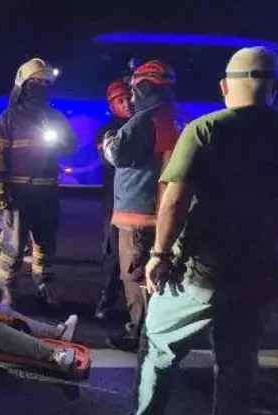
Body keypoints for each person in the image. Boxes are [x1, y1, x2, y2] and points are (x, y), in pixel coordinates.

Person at [119, 46, 278, 415]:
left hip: (202, 273)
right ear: (275, 87)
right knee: (238, 361)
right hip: (261, 273)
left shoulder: (205, 129)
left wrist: (159, 254)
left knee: (159, 345)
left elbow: (174, 201)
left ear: (224, 87)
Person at [102, 60, 179, 352]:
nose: (131, 98)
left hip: (138, 216)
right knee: (153, 274)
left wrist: (109, 140)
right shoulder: (173, 117)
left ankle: (140, 334)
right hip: (161, 212)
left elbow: (118, 153)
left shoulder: (144, 120)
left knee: (135, 277)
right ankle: (152, 329)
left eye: (134, 90)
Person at [0, 58, 78, 307]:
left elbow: (71, 147)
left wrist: (64, 142)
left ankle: (44, 283)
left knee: (45, 243)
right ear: (24, 85)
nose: (41, 87)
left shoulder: (55, 117)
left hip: (47, 191)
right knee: (14, 246)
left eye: (45, 83)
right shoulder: (9, 117)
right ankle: (7, 288)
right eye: (35, 82)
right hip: (18, 192)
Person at [94, 81, 133, 319]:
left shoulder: (145, 124)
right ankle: (107, 297)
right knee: (113, 252)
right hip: (114, 201)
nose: (127, 104)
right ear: (112, 105)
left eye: (129, 98)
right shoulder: (106, 131)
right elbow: (109, 161)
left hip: (138, 201)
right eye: (120, 101)